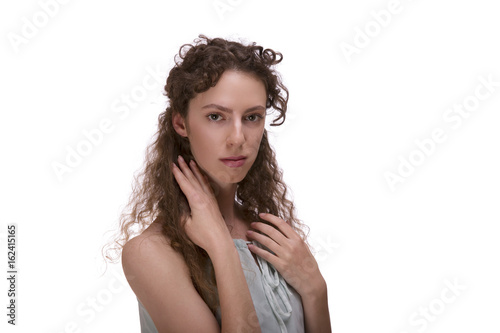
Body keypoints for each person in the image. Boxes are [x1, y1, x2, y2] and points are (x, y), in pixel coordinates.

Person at [102, 34, 331, 332]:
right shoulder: (150, 252)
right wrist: (222, 248)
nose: (238, 138)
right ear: (181, 123)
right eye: (215, 116)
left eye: (251, 117)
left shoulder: (273, 235)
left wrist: (316, 290)